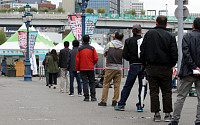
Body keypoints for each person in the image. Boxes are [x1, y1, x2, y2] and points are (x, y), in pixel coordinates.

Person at [140, 15, 178, 122]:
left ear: (156, 23)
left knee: (154, 91)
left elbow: (142, 50)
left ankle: (156, 114)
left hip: (151, 67)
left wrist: (144, 64)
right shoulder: (170, 36)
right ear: (166, 24)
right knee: (167, 92)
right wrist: (171, 64)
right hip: (166, 68)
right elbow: (174, 53)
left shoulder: (149, 34)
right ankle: (167, 114)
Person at [169, 18, 200, 125]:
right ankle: (198, 121)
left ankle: (175, 120)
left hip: (188, 71)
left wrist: (193, 66)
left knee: (181, 97)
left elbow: (186, 53)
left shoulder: (187, 37)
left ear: (193, 26)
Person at [114, 24, 147, 112]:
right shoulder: (145, 41)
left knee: (128, 85)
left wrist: (131, 59)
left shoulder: (128, 41)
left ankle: (121, 104)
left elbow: (124, 54)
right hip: (144, 66)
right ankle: (140, 105)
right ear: (141, 31)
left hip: (133, 65)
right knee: (143, 86)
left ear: (132, 31)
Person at [98, 32, 124, 107]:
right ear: (122, 38)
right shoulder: (122, 46)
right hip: (119, 67)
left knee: (106, 84)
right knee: (117, 85)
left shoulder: (109, 44)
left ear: (114, 37)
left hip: (110, 67)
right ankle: (115, 101)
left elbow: (105, 53)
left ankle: (104, 101)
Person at [75, 35, 99, 102]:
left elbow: (77, 60)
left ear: (82, 40)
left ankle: (86, 97)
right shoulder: (92, 48)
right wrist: (92, 63)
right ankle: (93, 97)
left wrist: (78, 68)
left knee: (85, 82)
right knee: (92, 82)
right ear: (89, 40)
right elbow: (96, 58)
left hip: (82, 68)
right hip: (90, 67)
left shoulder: (79, 49)